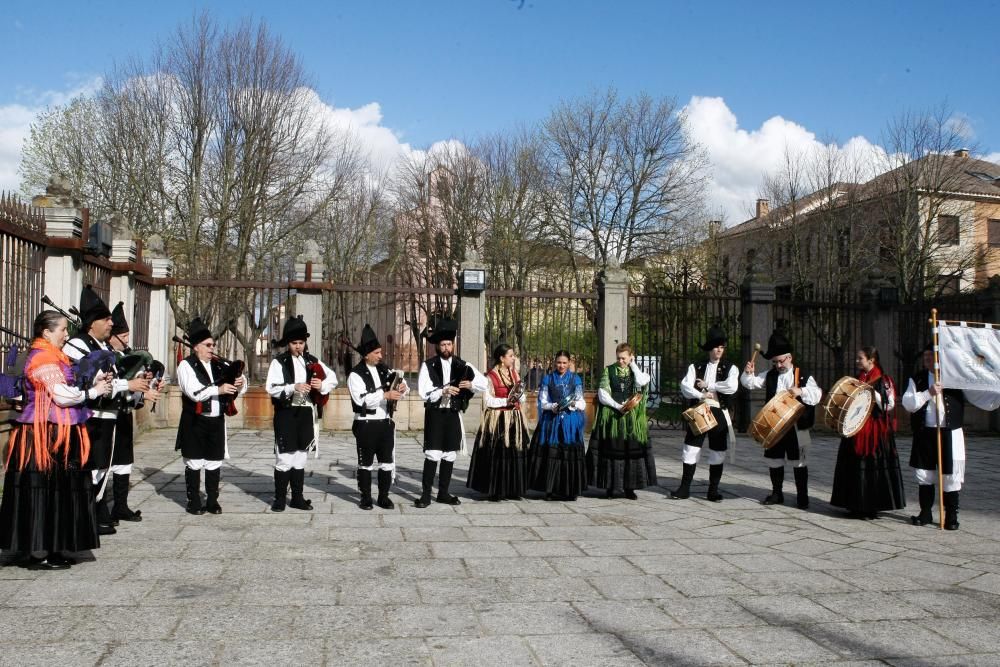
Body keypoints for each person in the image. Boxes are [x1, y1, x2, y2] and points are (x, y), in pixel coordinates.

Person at [0, 310, 111, 569]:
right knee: (43, 490)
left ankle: (55, 545)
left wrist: (94, 380)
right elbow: (61, 395)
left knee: (57, 491)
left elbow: (68, 383)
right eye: (62, 330)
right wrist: (93, 391)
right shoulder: (43, 359)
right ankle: (39, 552)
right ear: (47, 332)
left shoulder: (55, 357)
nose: (66, 334)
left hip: (59, 432)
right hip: (43, 435)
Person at [65, 286, 150, 534]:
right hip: (90, 417)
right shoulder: (77, 345)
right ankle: (85, 517)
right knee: (90, 467)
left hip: (108, 415)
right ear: (92, 323)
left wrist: (136, 383)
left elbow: (112, 377)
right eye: (106, 319)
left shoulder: (101, 346)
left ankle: (95, 513)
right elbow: (90, 380)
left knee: (102, 466)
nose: (111, 323)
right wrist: (128, 383)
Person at [902, 344, 1000, 530]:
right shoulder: (918, 379)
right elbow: (908, 403)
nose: (927, 360)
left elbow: (977, 394)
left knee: (951, 475)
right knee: (924, 474)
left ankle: (951, 516)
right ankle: (925, 513)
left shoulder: (955, 377)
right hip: (925, 433)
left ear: (940, 359)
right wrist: (928, 393)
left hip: (950, 432)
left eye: (931, 356)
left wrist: (996, 392)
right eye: (925, 357)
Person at [740, 330, 822, 509]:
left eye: (780, 361)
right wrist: (748, 373)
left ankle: (802, 496)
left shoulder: (803, 374)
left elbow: (817, 394)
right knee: (774, 459)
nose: (777, 365)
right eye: (775, 362)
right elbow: (749, 383)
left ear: (789, 358)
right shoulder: (770, 375)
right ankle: (777, 493)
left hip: (798, 426)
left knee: (799, 461)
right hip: (774, 426)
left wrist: (802, 391)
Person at [175, 318, 247, 515]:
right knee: (194, 461)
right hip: (195, 420)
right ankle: (194, 501)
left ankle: (213, 501)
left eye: (213, 345)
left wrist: (239, 383)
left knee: (214, 461)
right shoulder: (186, 366)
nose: (211, 348)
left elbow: (234, 386)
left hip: (216, 420)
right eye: (208, 345)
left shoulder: (217, 365)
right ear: (196, 347)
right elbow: (193, 392)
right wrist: (219, 388)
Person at [265, 316, 337, 512]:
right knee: (285, 457)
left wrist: (321, 385)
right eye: (294, 343)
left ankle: (297, 497)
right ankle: (280, 499)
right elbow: (271, 387)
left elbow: (333, 378)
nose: (298, 346)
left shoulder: (312, 360)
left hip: (306, 414)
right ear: (288, 343)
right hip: (287, 413)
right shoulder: (279, 362)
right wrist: (292, 387)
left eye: (301, 343)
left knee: (300, 457)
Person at [416, 318, 487, 508]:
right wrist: (443, 391)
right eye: (443, 344)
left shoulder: (462, 364)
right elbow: (424, 392)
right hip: (436, 414)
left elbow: (484, 383)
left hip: (453, 414)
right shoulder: (428, 365)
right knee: (433, 454)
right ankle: (425, 495)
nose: (446, 348)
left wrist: (470, 384)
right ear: (437, 346)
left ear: (453, 344)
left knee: (449, 454)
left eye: (449, 344)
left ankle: (444, 493)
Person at [829, 347, 906, 519]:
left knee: (871, 467)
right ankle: (854, 504)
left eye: (860, 358)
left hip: (874, 430)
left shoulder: (883, 379)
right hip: (856, 426)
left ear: (871, 360)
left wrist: (872, 392)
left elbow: (890, 405)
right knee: (853, 466)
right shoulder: (859, 378)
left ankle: (870, 506)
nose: (857, 361)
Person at [106, 301, 161, 523]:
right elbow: (115, 386)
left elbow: (132, 387)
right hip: (108, 416)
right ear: (112, 336)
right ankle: (99, 509)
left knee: (124, 461)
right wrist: (137, 389)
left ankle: (120, 506)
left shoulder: (123, 357)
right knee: (105, 463)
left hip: (124, 415)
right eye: (124, 336)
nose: (127, 341)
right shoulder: (106, 357)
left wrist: (147, 387)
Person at [672, 326, 739, 502]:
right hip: (700, 409)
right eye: (716, 346)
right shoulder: (697, 366)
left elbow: (732, 386)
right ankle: (684, 488)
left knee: (717, 451)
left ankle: (713, 490)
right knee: (690, 448)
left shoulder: (731, 368)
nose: (719, 350)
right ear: (710, 348)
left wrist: (709, 385)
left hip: (719, 411)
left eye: (722, 347)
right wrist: (701, 394)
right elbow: (686, 387)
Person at [347, 324, 407, 510]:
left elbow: (400, 386)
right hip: (366, 423)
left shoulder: (384, 370)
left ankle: (383, 496)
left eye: (380, 352)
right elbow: (360, 400)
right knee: (365, 463)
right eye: (377, 352)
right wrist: (384, 395)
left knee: (386, 462)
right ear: (367, 355)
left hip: (385, 422)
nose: (381, 356)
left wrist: (402, 388)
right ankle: (365, 497)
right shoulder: (355, 375)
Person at [587, 342, 656, 499]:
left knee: (629, 453)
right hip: (613, 416)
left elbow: (642, 382)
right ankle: (611, 487)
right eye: (619, 358)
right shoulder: (609, 370)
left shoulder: (636, 372)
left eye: (624, 358)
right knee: (612, 452)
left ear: (631, 357)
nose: (621, 361)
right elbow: (603, 393)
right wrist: (618, 406)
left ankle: (629, 488)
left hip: (632, 419)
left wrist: (633, 366)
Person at [467, 344, 530, 500]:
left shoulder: (514, 373)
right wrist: (508, 400)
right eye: (510, 355)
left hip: (514, 419)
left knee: (514, 453)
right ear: (502, 359)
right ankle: (496, 490)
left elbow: (522, 395)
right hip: (498, 420)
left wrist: (520, 397)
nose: (513, 358)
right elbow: (488, 400)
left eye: (513, 355)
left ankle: (513, 489)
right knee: (498, 454)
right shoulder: (490, 376)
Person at [526, 350, 587, 501]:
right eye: (559, 362)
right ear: (554, 363)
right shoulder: (548, 379)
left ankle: (570, 490)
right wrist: (553, 406)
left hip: (570, 423)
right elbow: (543, 401)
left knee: (568, 454)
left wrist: (573, 403)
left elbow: (582, 402)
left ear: (569, 363)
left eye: (564, 362)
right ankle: (550, 489)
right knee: (552, 454)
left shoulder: (575, 379)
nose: (561, 365)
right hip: (551, 422)